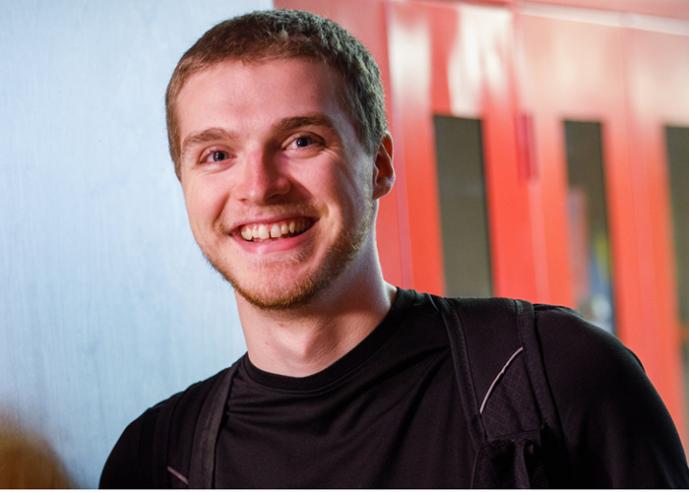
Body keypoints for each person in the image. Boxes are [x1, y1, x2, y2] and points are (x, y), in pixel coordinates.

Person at [100, 9, 689, 488]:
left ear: (379, 165)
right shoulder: (153, 462)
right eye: (217, 155)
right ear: (184, 181)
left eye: (301, 140)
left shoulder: (558, 378)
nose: (258, 186)